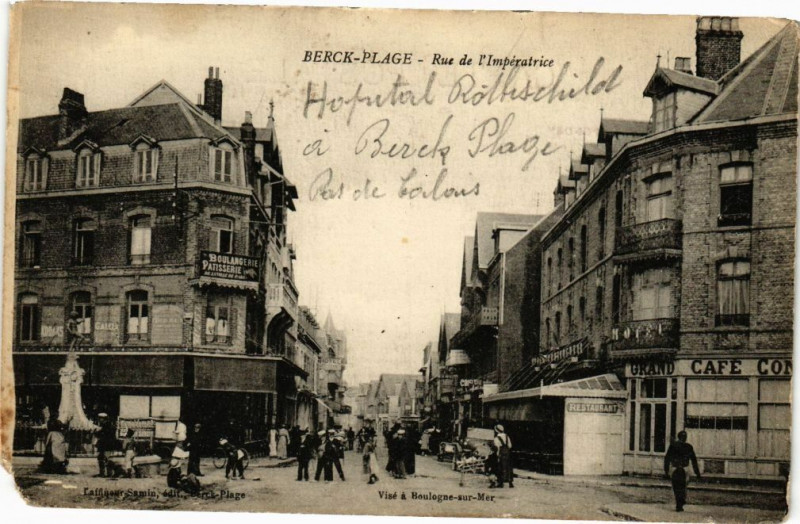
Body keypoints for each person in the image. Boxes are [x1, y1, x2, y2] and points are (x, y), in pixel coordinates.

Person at [664, 431, 701, 512]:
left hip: (675, 468)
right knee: (684, 486)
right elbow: (693, 460)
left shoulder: (673, 445)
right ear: (685, 438)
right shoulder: (689, 447)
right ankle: (681, 501)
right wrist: (697, 472)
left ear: (678, 437)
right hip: (685, 468)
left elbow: (667, 458)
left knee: (676, 487)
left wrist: (666, 471)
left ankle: (679, 503)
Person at [94, 413, 117, 477]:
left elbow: (104, 435)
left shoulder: (107, 426)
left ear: (104, 419)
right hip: (103, 445)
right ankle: (103, 473)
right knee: (101, 458)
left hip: (107, 445)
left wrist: (96, 432)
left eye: (101, 418)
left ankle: (108, 473)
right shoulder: (104, 426)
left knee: (106, 459)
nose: (99, 420)